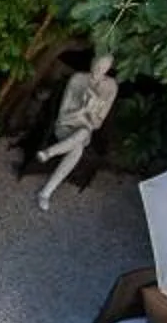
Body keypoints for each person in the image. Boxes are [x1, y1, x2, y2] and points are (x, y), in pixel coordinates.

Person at [28, 52, 118, 209]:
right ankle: (46, 193)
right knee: (77, 148)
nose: (98, 69)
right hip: (65, 127)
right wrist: (82, 109)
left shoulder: (111, 87)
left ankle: (49, 152)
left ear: (108, 69)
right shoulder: (78, 79)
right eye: (97, 64)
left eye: (103, 67)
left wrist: (90, 110)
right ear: (91, 62)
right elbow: (63, 116)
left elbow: (97, 124)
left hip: (86, 130)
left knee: (83, 132)